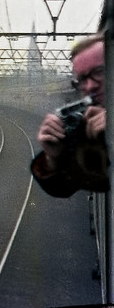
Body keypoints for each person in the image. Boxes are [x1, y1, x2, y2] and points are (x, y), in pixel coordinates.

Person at [31, 33, 109, 197]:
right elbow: (64, 187)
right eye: (82, 79)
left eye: (99, 71)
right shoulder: (87, 123)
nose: (90, 86)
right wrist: (53, 158)